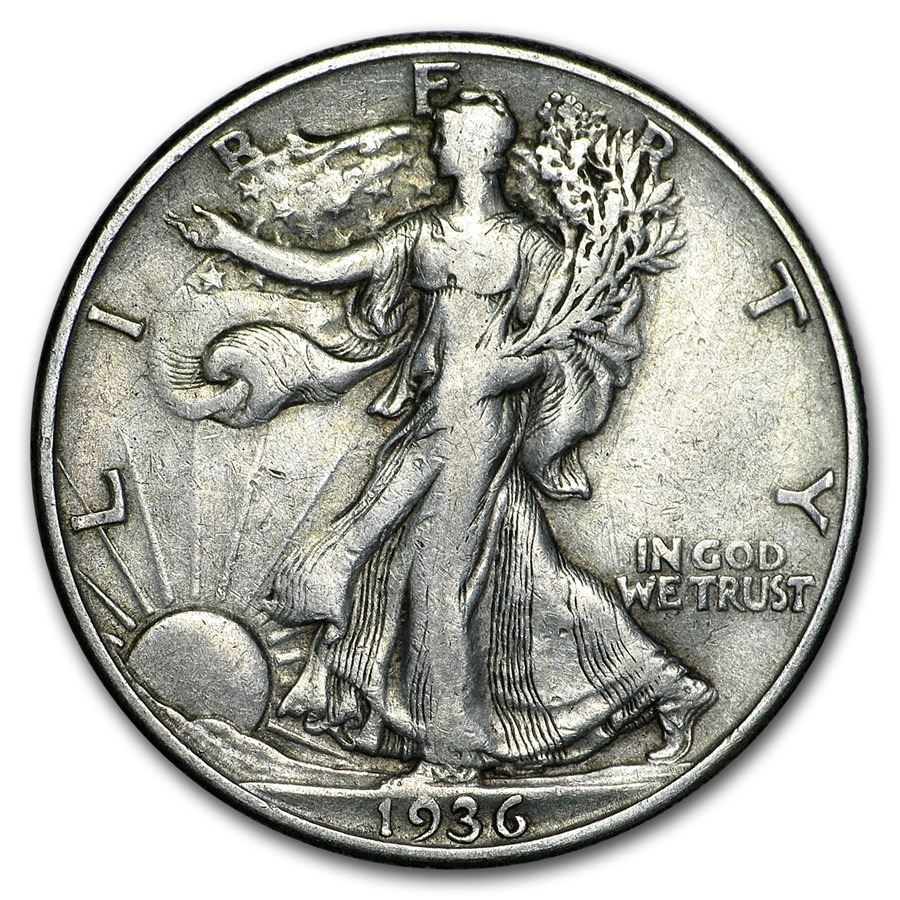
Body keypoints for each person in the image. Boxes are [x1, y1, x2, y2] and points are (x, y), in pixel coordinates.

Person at [169, 89, 715, 782]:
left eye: (452, 137)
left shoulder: (528, 247)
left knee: (437, 581)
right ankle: (669, 687)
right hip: (435, 415)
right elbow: (330, 270)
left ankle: (451, 757)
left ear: (482, 151)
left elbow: (581, 337)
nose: (439, 146)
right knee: (511, 571)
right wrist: (232, 242)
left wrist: (511, 368)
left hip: (481, 423)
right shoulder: (422, 235)